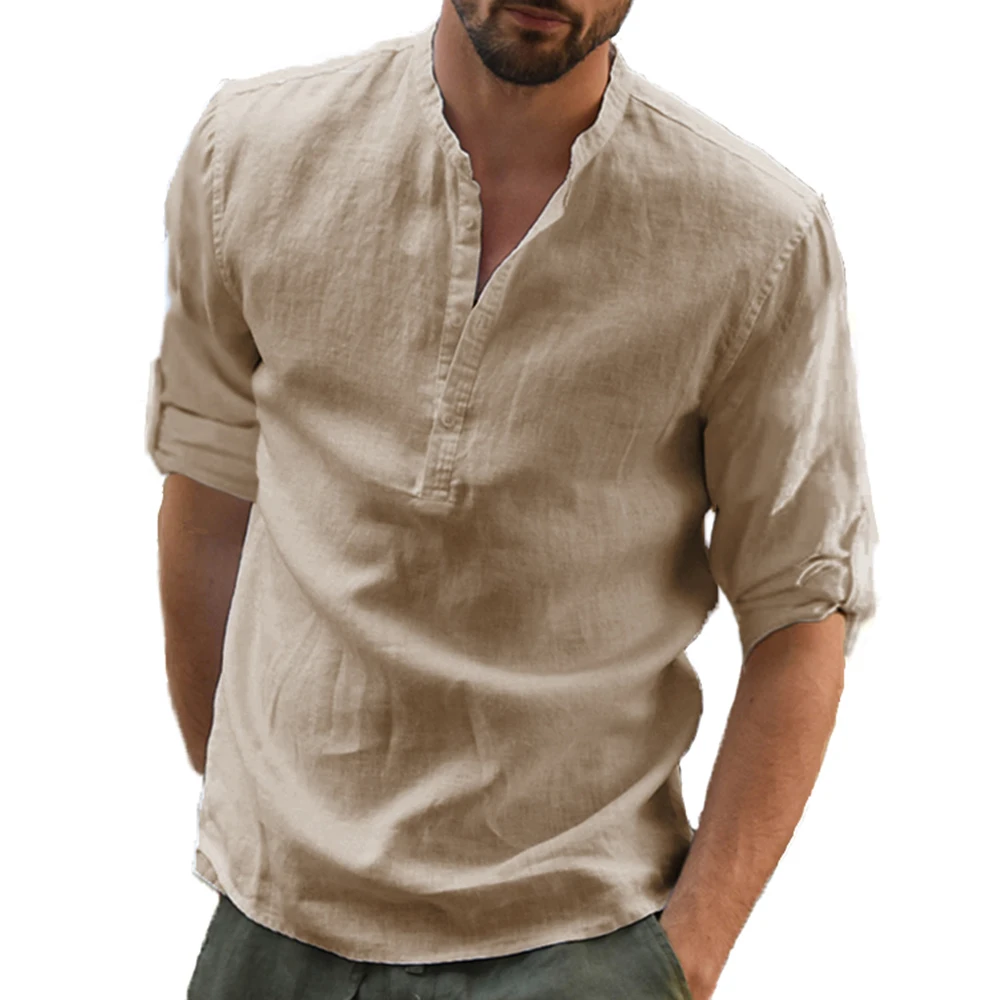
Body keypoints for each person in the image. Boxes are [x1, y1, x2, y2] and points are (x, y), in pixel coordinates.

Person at [146, 3, 878, 998]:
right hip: (271, 936)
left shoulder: (755, 235)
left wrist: (683, 959)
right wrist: (253, 820)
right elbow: (208, 491)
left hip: (575, 939)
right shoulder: (250, 152)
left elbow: (800, 606)